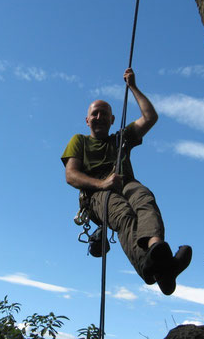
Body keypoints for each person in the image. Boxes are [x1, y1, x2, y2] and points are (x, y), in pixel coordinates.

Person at [61, 68, 191, 295]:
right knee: (122, 213)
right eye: (95, 114)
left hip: (125, 183)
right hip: (96, 194)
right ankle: (151, 267)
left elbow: (150, 117)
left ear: (112, 119)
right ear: (87, 120)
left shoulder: (121, 138)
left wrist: (133, 87)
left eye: (104, 114)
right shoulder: (79, 141)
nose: (99, 118)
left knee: (144, 197)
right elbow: (71, 175)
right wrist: (102, 184)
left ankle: (157, 253)